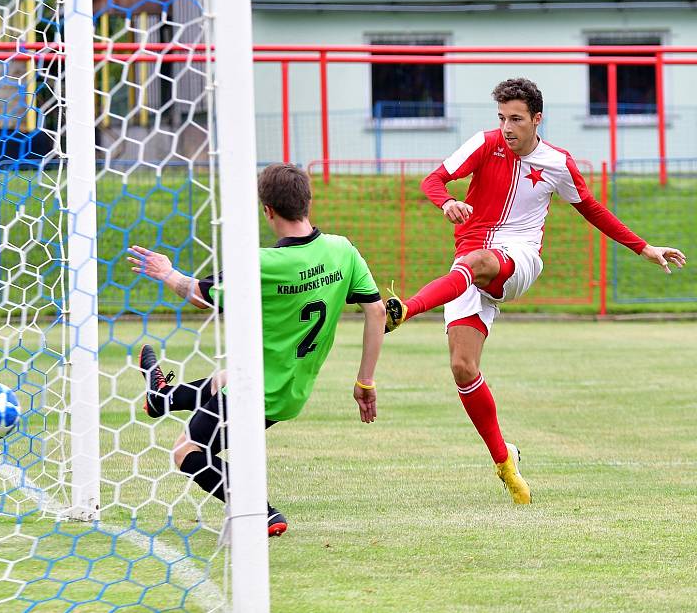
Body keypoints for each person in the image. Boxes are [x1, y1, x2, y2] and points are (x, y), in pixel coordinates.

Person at [384, 77, 686, 504]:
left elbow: (592, 208)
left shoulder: (557, 162)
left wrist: (643, 247)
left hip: (519, 257)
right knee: (463, 367)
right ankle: (506, 462)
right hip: (471, 262)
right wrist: (446, 202)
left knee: (478, 263)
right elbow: (433, 181)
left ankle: (405, 310)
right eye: (502, 118)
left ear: (537, 119)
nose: (507, 128)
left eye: (516, 119)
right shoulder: (484, 144)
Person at [127, 163, 386, 535]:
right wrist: (365, 381)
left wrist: (167, 272)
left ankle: (260, 511)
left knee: (186, 452)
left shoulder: (262, 264)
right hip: (292, 389)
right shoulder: (341, 250)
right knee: (221, 379)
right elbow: (376, 311)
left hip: (254, 392)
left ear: (267, 210)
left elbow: (201, 295)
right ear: (307, 201)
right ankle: (161, 397)